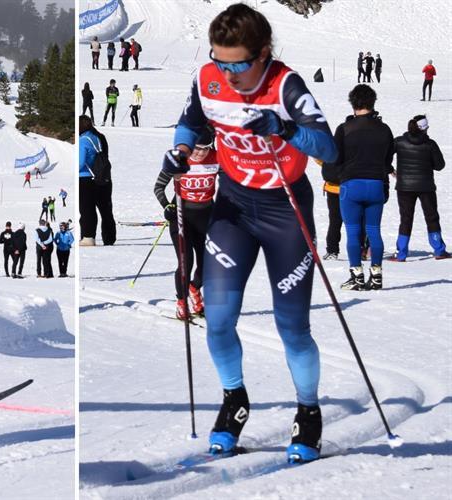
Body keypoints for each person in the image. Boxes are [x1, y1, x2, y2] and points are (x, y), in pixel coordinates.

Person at [167, 3, 338, 462]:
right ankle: (234, 400)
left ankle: (308, 410)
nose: (230, 74)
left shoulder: (286, 85)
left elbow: (328, 147)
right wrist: (181, 150)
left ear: (263, 53)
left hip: (286, 211)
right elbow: (192, 121)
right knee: (218, 319)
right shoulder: (208, 78)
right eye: (221, 61)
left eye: (239, 64)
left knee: (292, 327)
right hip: (234, 207)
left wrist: (285, 129)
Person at [332, 84, 394, 291]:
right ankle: (376, 274)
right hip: (376, 183)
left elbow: (335, 158)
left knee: (352, 231)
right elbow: (388, 160)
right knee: (374, 230)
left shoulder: (344, 129)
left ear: (353, 104)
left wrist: (340, 174)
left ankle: (356, 276)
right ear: (373, 103)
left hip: (351, 183)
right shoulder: (384, 129)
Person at [155, 125, 218, 319]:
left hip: (206, 214)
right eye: (197, 148)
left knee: (208, 263)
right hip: (182, 216)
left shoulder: (217, 158)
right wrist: (167, 206)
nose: (200, 153)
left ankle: (194, 288)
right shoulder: (178, 160)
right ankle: (182, 302)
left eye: (205, 148)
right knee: (185, 262)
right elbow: (158, 187)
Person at [389, 115, 449, 261]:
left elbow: (384, 156)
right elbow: (440, 165)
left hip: (404, 186)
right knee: (432, 217)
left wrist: (390, 169)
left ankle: (401, 253)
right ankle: (439, 250)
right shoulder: (430, 144)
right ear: (424, 128)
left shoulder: (399, 141)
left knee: (406, 219)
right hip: (426, 186)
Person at [78, 115, 116, 246]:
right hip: (103, 177)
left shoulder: (83, 140)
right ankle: (109, 238)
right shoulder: (99, 137)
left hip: (86, 179)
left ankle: (88, 237)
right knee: (106, 210)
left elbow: (81, 162)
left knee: (87, 209)